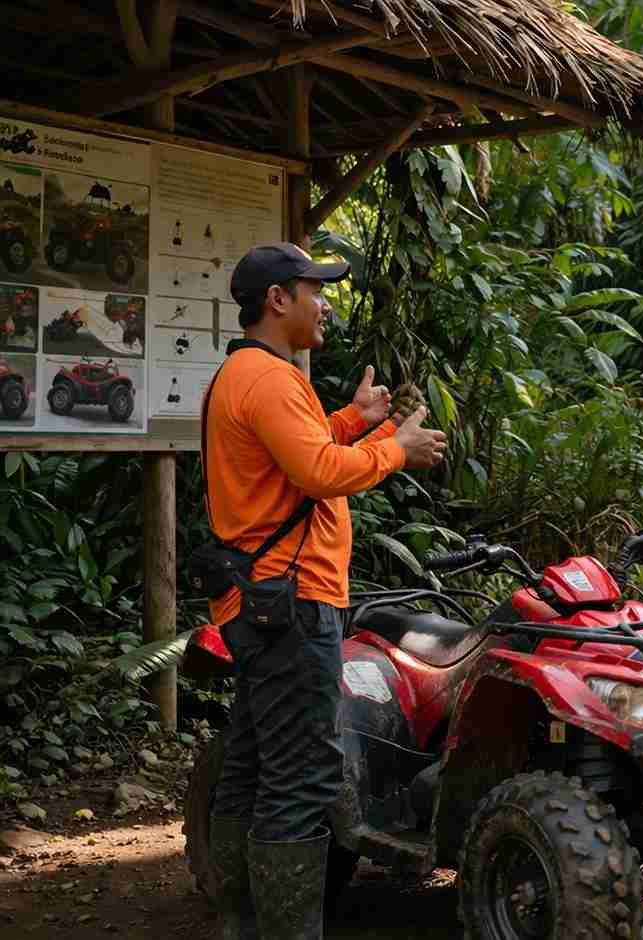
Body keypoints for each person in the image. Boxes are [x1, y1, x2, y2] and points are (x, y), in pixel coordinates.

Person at [203, 242, 446, 939]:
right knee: (300, 777)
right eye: (315, 289)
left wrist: (354, 421)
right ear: (277, 299)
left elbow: (295, 453)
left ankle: (242, 923)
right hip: (290, 602)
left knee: (252, 765)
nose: (325, 302)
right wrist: (396, 448)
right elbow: (318, 473)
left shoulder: (246, 373)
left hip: (262, 600)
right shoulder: (270, 380)